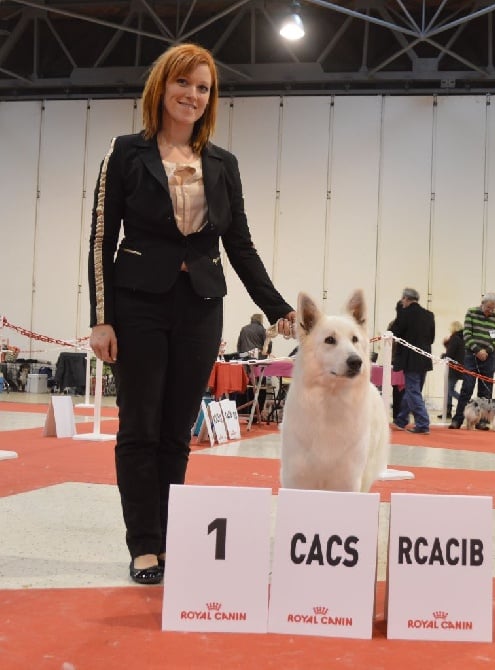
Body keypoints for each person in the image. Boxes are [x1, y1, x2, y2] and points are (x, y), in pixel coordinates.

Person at [87, 44, 296, 585]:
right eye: (184, 83)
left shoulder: (224, 164)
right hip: (136, 305)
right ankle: (144, 546)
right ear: (162, 87)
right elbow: (100, 240)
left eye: (203, 88)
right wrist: (102, 318)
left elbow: (240, 245)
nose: (193, 95)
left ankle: (170, 533)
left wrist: (278, 309)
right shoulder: (124, 154)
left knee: (177, 431)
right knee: (140, 427)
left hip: (202, 305)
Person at [449, 293, 495, 430]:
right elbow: (467, 334)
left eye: (493, 308)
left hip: (489, 357)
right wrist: (478, 350)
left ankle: (482, 421)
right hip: (471, 355)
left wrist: (488, 350)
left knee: (485, 391)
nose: (490, 311)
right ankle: (458, 420)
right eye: (488, 308)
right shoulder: (471, 312)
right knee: (467, 388)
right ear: (482, 303)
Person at [390, 288, 435, 434]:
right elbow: (432, 338)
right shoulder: (429, 315)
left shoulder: (404, 313)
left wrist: (399, 311)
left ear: (405, 299)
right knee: (413, 390)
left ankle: (422, 423)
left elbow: (395, 332)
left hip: (410, 358)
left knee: (412, 390)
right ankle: (401, 420)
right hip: (425, 357)